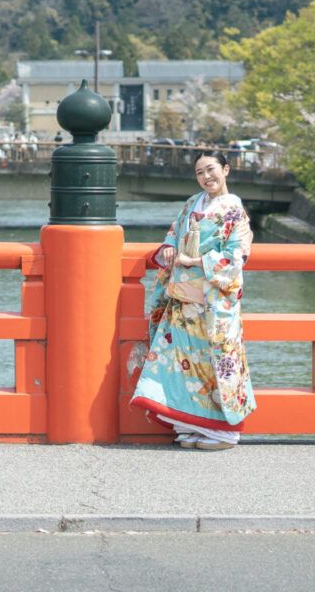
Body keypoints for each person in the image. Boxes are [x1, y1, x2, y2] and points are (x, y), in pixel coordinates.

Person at [130, 151, 256, 451]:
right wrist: (170, 250)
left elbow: (237, 256)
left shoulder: (235, 210)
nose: (206, 177)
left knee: (216, 364)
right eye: (199, 172)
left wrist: (195, 260)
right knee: (179, 365)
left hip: (214, 302)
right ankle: (190, 424)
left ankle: (224, 432)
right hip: (183, 300)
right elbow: (174, 234)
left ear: (225, 169)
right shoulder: (191, 204)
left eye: (211, 169)